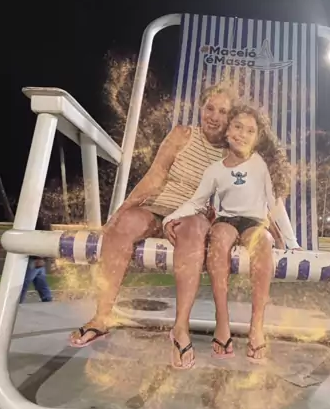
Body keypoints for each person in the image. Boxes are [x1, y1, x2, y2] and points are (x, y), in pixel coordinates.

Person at [70, 83, 237, 360]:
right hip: (158, 207)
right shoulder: (182, 134)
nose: (214, 116)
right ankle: (101, 318)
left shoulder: (230, 152)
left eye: (223, 112)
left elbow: (236, 195)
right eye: (210, 108)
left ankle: (180, 329)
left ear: (231, 118)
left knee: (194, 229)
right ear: (200, 108)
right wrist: (121, 210)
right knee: (124, 224)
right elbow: (156, 175)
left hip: (191, 216)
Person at [163, 104, 299, 366]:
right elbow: (197, 202)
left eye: (250, 130)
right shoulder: (215, 169)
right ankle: (222, 322)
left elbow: (274, 204)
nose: (242, 134)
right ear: (227, 131)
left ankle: (256, 326)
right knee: (220, 237)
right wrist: (171, 217)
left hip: (254, 221)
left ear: (257, 137)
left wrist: (292, 242)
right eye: (237, 127)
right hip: (227, 219)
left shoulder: (261, 164)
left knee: (263, 241)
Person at [20, 219, 53, 303]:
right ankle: (47, 298)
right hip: (38, 259)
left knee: (24, 283)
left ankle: (17, 301)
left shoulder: (36, 226)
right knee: (41, 283)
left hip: (34, 259)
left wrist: (40, 258)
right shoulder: (44, 228)